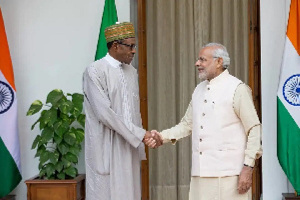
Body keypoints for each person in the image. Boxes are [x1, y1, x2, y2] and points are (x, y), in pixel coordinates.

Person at [148, 43, 262, 200]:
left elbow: (254, 129)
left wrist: (248, 167)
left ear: (219, 62)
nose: (197, 63)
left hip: (230, 176)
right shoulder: (199, 90)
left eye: (202, 60)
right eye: (198, 59)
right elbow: (187, 124)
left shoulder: (237, 88)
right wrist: (162, 136)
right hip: (200, 174)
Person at [83, 22, 161, 200]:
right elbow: (105, 114)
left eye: (135, 46)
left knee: (130, 192)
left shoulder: (131, 72)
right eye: (130, 46)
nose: (134, 51)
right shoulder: (95, 71)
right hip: (106, 145)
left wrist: (141, 137)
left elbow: (134, 112)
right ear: (116, 46)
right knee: (106, 192)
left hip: (129, 144)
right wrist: (141, 134)